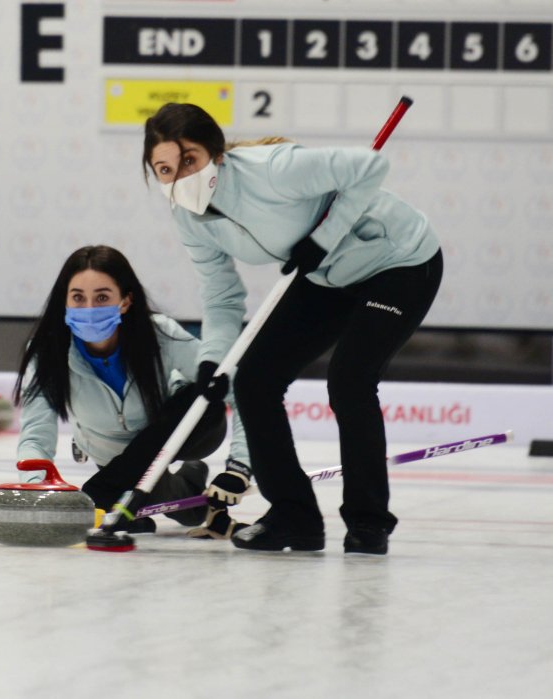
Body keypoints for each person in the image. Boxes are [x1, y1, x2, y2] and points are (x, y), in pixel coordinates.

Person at [143, 103, 443, 555]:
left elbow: (370, 166)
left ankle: (368, 520)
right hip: (325, 275)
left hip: (397, 259)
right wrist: (213, 360)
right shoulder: (188, 217)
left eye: (189, 161)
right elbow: (223, 296)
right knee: (254, 380)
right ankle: (293, 515)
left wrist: (323, 240)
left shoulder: (273, 170)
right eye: (164, 170)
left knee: (350, 380)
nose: (179, 178)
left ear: (216, 153)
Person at [14, 245, 252, 537]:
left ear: (125, 301)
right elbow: (35, 435)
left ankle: (108, 490)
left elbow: (242, 392)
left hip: (181, 431)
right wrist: (37, 484)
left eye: (102, 297)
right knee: (189, 514)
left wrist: (239, 466)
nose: (89, 309)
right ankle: (189, 478)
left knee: (202, 398)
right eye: (78, 298)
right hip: (112, 454)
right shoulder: (46, 353)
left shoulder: (162, 336)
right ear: (64, 302)